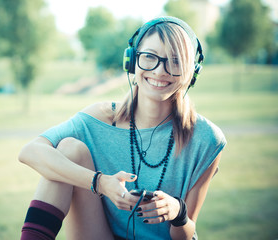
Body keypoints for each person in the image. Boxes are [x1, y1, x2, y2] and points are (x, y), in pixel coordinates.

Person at [18, 16, 226, 240]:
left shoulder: (207, 139)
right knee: (69, 150)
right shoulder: (99, 118)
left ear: (192, 73)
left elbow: (185, 235)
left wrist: (178, 211)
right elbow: (30, 152)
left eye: (175, 61)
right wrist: (100, 182)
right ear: (132, 61)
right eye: (149, 57)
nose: (159, 71)